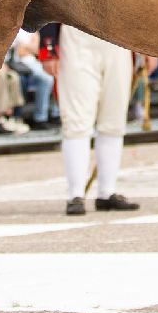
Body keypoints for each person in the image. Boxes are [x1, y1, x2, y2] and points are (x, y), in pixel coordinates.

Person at [56, 25, 139, 216]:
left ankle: (107, 192)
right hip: (76, 31)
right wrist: (48, 47)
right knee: (76, 122)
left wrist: (147, 46)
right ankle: (75, 194)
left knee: (114, 121)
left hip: (119, 34)